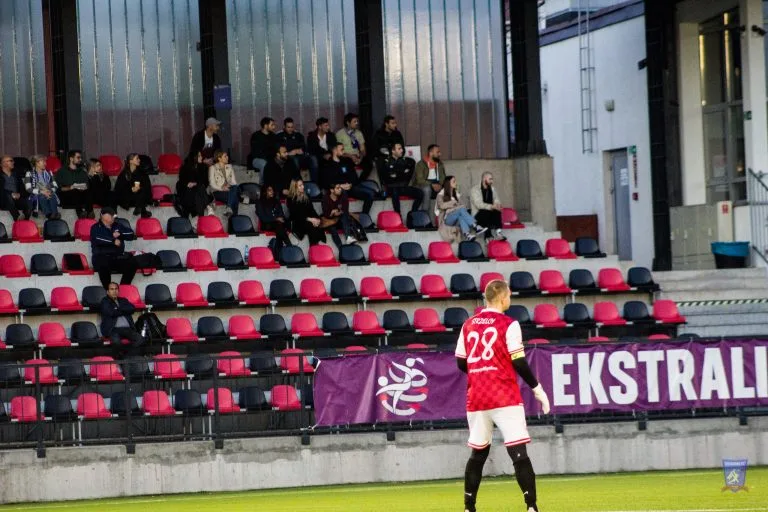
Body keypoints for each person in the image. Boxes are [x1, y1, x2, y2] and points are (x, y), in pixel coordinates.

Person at [456, 279, 550, 512]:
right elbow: (518, 360)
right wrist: (537, 388)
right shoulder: (509, 324)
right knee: (518, 453)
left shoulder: (468, 324)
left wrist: (480, 373)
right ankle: (531, 507)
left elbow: (460, 361)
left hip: (477, 397)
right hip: (503, 396)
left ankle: (469, 508)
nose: (510, 298)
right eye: (509, 294)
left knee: (478, 454)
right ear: (501, 297)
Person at [321, 142, 375, 215]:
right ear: (334, 150)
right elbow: (326, 183)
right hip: (337, 189)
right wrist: (340, 186)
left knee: (371, 193)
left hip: (350, 187)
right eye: (341, 150)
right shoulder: (327, 165)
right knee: (343, 192)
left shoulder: (347, 161)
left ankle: (364, 216)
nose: (344, 152)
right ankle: (345, 218)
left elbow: (354, 176)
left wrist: (350, 184)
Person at [91, 207, 137, 289]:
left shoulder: (118, 225)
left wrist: (120, 234)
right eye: (111, 216)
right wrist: (112, 241)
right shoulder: (95, 227)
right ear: (103, 216)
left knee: (132, 263)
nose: (113, 218)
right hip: (101, 257)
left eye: (113, 216)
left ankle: (123, 288)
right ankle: (109, 291)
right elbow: (97, 238)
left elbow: (131, 234)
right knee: (103, 263)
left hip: (117, 257)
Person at [436, 176, 487, 242]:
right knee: (460, 210)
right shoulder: (440, 195)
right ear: (448, 183)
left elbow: (464, 206)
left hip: (456, 219)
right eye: (454, 181)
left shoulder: (456, 195)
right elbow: (441, 206)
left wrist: (452, 209)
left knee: (461, 216)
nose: (456, 183)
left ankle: (467, 234)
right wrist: (453, 203)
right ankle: (475, 226)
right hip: (447, 220)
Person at [377, 142, 423, 214]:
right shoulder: (386, 162)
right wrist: (402, 173)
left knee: (420, 193)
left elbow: (406, 174)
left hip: (402, 186)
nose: (402, 150)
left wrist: (397, 174)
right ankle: (398, 216)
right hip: (391, 188)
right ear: (393, 151)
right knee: (395, 192)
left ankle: (413, 213)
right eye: (399, 149)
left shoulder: (405, 161)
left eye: (402, 148)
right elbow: (388, 179)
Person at [100, 282, 144, 356]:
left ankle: (126, 355)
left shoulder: (123, 300)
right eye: (112, 289)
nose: (114, 291)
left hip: (127, 329)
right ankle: (121, 359)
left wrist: (117, 309)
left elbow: (132, 309)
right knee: (116, 342)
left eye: (116, 289)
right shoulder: (104, 301)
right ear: (107, 292)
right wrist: (124, 310)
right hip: (113, 329)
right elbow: (111, 313)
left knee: (140, 339)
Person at [55, 149, 94, 218]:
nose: (80, 159)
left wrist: (83, 187)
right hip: (67, 197)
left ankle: (90, 212)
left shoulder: (82, 172)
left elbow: (87, 185)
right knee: (75, 191)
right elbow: (58, 188)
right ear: (71, 158)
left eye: (81, 158)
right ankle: (80, 213)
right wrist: (70, 187)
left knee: (89, 191)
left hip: (81, 195)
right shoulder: (62, 171)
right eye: (78, 157)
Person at [286, 179, 326, 246]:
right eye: (300, 186)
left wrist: (317, 219)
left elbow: (311, 210)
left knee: (319, 223)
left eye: (302, 185)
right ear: (295, 187)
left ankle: (316, 247)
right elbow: (296, 215)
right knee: (311, 226)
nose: (303, 187)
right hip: (298, 222)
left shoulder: (306, 196)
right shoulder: (290, 198)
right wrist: (310, 219)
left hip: (308, 219)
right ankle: (313, 249)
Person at [256, 184, 292, 256]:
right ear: (264, 192)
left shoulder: (276, 201)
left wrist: (279, 219)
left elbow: (281, 214)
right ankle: (289, 246)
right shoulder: (259, 203)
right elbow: (263, 218)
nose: (272, 192)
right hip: (267, 224)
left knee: (279, 228)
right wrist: (276, 218)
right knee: (279, 227)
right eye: (269, 190)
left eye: (272, 190)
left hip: (278, 224)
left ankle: (278, 254)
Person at [113, 153, 152, 218]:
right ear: (130, 161)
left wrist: (139, 188)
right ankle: (142, 210)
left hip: (139, 197)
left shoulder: (142, 173)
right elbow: (118, 189)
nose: (139, 160)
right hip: (128, 199)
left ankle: (140, 208)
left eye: (139, 158)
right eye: (137, 158)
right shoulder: (124, 174)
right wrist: (131, 189)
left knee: (142, 191)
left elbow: (147, 187)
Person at [321, 182, 360, 247]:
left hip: (340, 220)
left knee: (344, 217)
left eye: (340, 188)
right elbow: (326, 214)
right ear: (332, 190)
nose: (340, 189)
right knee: (333, 229)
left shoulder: (343, 196)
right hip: (330, 221)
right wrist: (332, 213)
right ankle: (340, 247)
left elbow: (345, 210)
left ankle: (348, 237)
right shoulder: (325, 198)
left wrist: (339, 212)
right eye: (337, 188)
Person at [470, 172, 506, 241]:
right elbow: (479, 204)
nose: (492, 181)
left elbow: (496, 199)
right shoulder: (475, 189)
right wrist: (492, 206)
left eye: (492, 179)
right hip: (478, 216)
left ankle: (498, 233)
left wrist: (497, 205)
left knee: (496, 210)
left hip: (489, 214)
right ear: (484, 179)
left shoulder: (492, 189)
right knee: (487, 210)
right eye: (490, 179)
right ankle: (488, 235)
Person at [335, 112, 371, 180]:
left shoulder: (359, 133)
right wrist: (351, 156)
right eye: (354, 121)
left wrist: (361, 157)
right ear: (348, 123)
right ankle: (353, 183)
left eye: (357, 121)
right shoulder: (340, 133)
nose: (357, 123)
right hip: (346, 156)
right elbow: (338, 152)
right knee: (346, 164)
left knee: (369, 164)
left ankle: (360, 182)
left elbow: (363, 149)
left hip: (357, 155)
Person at [411, 144, 446, 212]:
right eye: (438, 152)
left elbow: (442, 177)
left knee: (450, 187)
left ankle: (447, 214)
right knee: (427, 189)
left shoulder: (440, 164)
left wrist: (440, 185)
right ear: (430, 153)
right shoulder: (421, 164)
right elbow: (419, 180)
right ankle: (425, 213)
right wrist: (431, 185)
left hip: (436, 186)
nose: (440, 154)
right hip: (422, 186)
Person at [176, 152, 213, 217]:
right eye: (199, 156)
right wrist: (188, 184)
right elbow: (181, 181)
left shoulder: (202, 167)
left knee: (199, 194)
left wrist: (195, 183)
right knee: (199, 192)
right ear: (194, 157)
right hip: (187, 193)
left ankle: (202, 218)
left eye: (201, 155)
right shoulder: (185, 168)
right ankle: (208, 207)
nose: (201, 157)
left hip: (197, 193)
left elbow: (205, 183)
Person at [24, 155, 60, 220]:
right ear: (36, 163)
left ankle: (54, 213)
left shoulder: (49, 172)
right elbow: (28, 188)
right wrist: (41, 192)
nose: (45, 163)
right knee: (42, 197)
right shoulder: (29, 173)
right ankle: (49, 214)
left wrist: (50, 191)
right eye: (43, 162)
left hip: (48, 192)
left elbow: (55, 185)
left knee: (52, 196)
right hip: (36, 194)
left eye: (45, 162)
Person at [208, 150, 240, 216]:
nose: (227, 157)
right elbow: (212, 184)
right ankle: (234, 219)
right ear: (219, 158)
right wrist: (222, 188)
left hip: (229, 189)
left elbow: (234, 182)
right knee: (235, 198)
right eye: (225, 156)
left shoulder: (229, 166)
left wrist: (229, 184)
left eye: (227, 156)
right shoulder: (212, 168)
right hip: (217, 191)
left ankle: (229, 208)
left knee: (235, 187)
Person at [307, 117, 337, 183]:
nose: (328, 127)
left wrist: (331, 154)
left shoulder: (331, 135)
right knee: (314, 160)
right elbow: (312, 150)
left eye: (328, 125)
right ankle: (315, 184)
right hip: (317, 156)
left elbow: (334, 147)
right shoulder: (312, 136)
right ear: (320, 127)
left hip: (329, 155)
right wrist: (323, 155)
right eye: (326, 125)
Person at [0, 155, 31, 220]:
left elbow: (23, 189)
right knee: (7, 195)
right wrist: (11, 193)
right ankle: (17, 216)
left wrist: (19, 194)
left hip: (17, 200)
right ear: (3, 163)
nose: (13, 162)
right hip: (4, 201)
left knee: (28, 202)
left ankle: (25, 220)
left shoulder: (16, 175)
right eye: (11, 161)